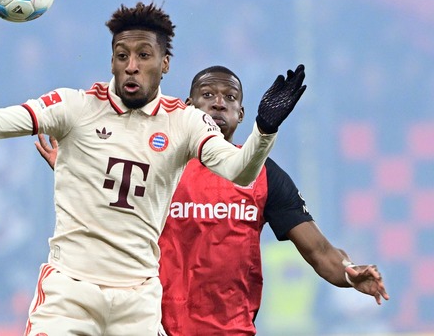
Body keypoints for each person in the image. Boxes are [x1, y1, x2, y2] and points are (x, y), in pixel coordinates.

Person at [0, 2, 306, 336]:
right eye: (121, 54)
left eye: (144, 55)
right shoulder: (74, 107)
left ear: (164, 64)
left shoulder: (185, 122)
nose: (131, 65)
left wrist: (264, 129)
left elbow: (240, 172)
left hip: (140, 302)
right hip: (70, 292)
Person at [34, 64, 389, 335]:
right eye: (208, 95)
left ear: (241, 115)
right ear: (188, 107)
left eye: (230, 98)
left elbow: (320, 251)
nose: (219, 103)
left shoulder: (264, 175)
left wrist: (348, 274)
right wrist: (77, 174)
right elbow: (106, 222)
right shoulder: (151, 161)